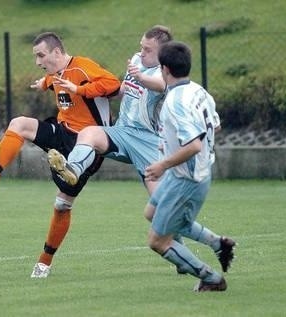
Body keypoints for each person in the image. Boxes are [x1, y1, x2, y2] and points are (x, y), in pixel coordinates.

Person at [48, 27, 236, 274]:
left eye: (148, 50)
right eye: (141, 47)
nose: (141, 52)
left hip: (150, 144)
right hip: (123, 131)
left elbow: (158, 85)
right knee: (89, 133)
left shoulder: (167, 77)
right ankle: (73, 168)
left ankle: (210, 245)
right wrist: (88, 88)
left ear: (163, 56)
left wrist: (139, 76)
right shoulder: (137, 61)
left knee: (158, 212)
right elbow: (123, 89)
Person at [0, 32, 121, 278]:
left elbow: (114, 85)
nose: (37, 61)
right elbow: (53, 80)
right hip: (61, 132)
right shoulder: (55, 73)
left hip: (87, 145)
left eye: (41, 55)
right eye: (35, 56)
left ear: (57, 52)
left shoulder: (83, 67)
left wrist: (79, 89)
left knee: (62, 205)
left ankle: (44, 263)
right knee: (19, 124)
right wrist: (44, 82)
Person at [145, 40, 231, 292]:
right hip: (184, 173)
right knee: (152, 213)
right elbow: (215, 126)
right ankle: (218, 243)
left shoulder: (175, 102)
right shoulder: (198, 91)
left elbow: (193, 145)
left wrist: (163, 163)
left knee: (158, 240)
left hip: (187, 178)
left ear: (164, 69)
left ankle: (211, 278)